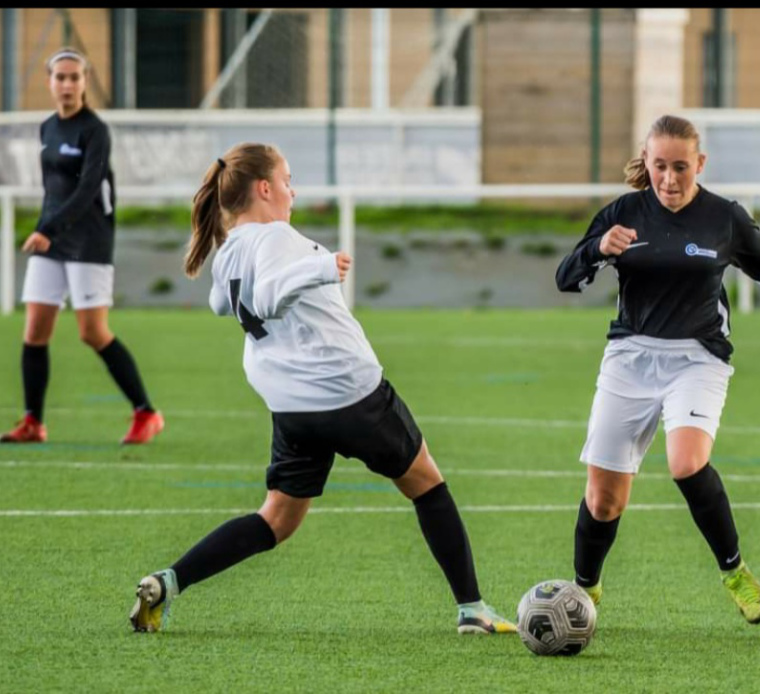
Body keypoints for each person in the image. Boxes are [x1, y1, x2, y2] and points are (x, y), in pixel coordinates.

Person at [129, 142, 516, 636]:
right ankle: (472, 610)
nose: (293, 190)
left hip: (292, 407)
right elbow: (267, 296)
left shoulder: (229, 252)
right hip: (349, 392)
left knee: (277, 519)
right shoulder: (273, 237)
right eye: (288, 180)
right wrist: (320, 266)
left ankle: (167, 582)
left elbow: (221, 305)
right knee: (428, 485)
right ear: (264, 188)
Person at [556, 115, 760, 624]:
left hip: (698, 356)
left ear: (700, 164)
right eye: (660, 166)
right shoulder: (623, 212)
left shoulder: (724, 218)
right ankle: (583, 594)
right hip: (629, 358)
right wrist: (598, 250)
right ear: (646, 160)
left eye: (681, 168)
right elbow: (566, 277)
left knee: (686, 462)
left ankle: (735, 574)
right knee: (603, 500)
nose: (669, 179)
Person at [0, 47, 163, 446]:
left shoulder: (95, 130)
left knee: (93, 332)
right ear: (49, 82)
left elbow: (88, 189)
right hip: (51, 239)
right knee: (34, 331)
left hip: (88, 240)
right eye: (61, 77)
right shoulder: (48, 127)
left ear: (85, 82)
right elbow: (51, 190)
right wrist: (44, 229)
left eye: (75, 77)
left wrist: (48, 229)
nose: (68, 84)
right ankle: (33, 422)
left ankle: (146, 412)